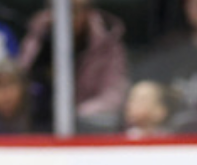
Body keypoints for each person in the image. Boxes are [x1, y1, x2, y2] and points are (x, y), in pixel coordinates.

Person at [17, 0, 131, 132]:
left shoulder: (107, 44)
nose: (65, 18)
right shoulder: (38, 36)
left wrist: (76, 115)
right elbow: (20, 77)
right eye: (55, 9)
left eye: (74, 11)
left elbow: (113, 93)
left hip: (83, 126)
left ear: (88, 12)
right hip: (35, 123)